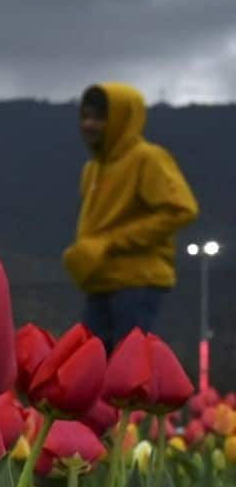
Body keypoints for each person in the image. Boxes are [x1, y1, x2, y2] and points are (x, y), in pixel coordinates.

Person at [64, 83, 198, 352]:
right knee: (90, 367)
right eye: (85, 117)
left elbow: (180, 209)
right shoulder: (93, 169)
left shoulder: (147, 158)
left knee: (127, 371)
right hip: (101, 280)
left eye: (100, 118)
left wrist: (111, 243)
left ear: (121, 119)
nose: (89, 125)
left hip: (136, 282)